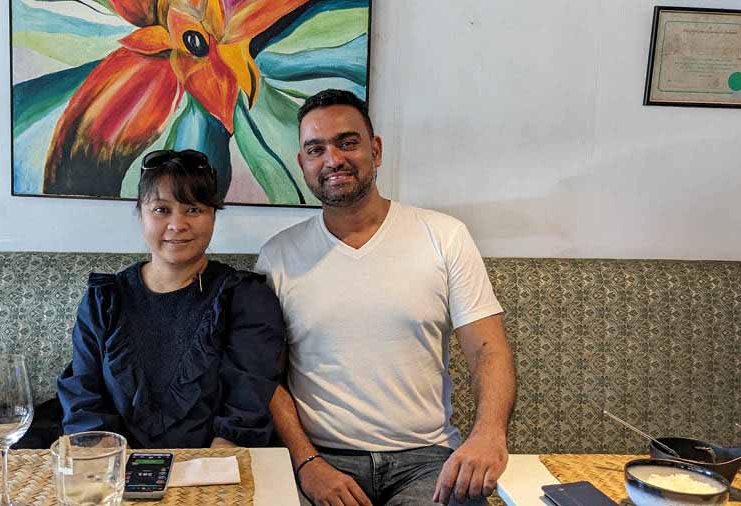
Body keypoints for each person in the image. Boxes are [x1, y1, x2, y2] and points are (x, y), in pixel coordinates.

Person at [256, 90, 516, 505]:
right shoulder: (278, 256)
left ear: (375, 150)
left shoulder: (444, 236)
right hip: (323, 460)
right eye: (315, 149)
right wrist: (307, 464)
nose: (333, 159)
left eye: (347, 142)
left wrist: (487, 436)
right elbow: (268, 379)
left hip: (428, 461)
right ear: (302, 163)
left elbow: (489, 348)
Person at [58, 149, 285, 449]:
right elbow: (84, 395)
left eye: (193, 209)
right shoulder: (104, 300)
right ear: (141, 213)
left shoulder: (245, 299)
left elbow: (245, 404)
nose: (177, 225)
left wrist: (211, 482)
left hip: (216, 473)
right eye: (161, 210)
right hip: (118, 471)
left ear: (213, 215)